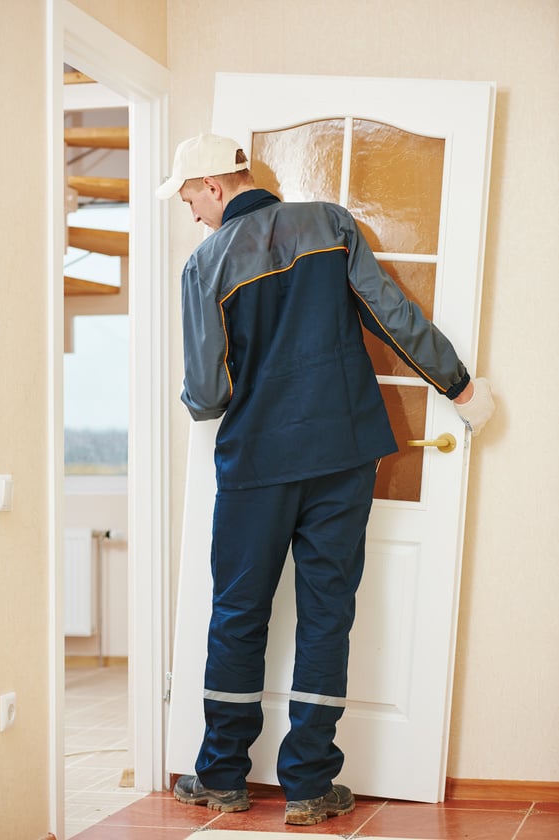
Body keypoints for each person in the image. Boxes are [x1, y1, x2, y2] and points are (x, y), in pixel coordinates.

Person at [156, 133, 495, 826]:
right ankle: (309, 785)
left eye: (188, 196)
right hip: (342, 455)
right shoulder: (331, 224)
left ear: (214, 186)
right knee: (326, 616)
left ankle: (221, 775)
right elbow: (392, 316)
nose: (189, 212)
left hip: (256, 464)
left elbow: (207, 392)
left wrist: (199, 398)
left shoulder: (205, 265)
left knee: (238, 615)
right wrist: (459, 388)